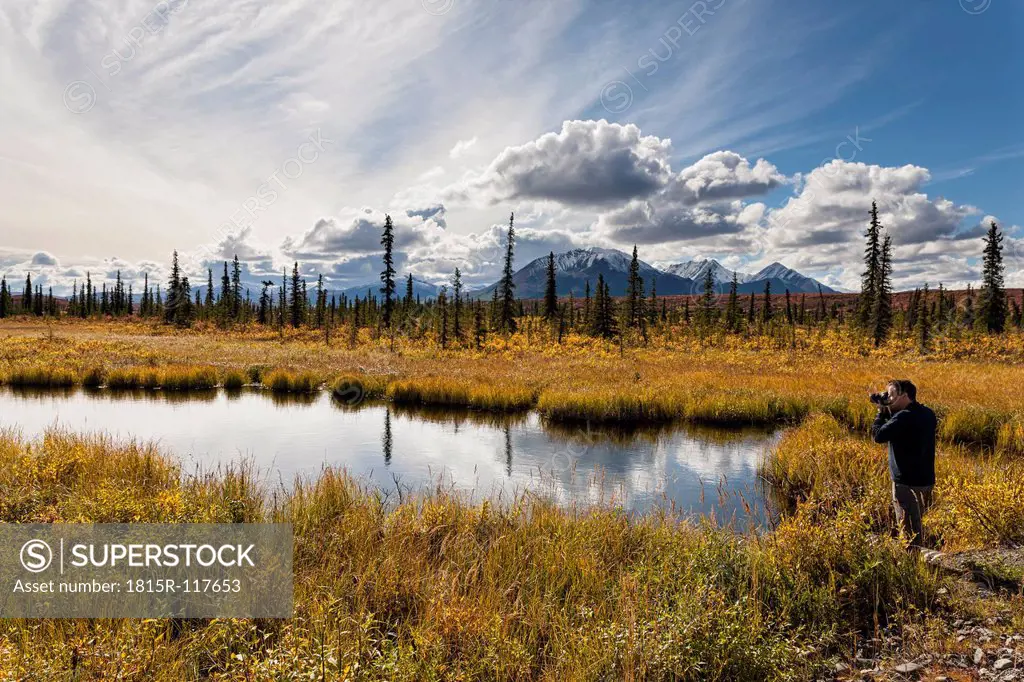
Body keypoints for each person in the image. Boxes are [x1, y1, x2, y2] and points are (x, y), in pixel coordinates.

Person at [870, 379, 937, 548]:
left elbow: (878, 435)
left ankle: (912, 564)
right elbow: (905, 427)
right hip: (926, 481)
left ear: (904, 396)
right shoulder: (928, 413)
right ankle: (924, 556)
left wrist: (881, 412)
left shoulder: (903, 417)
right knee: (919, 523)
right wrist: (889, 409)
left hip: (906, 484)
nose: (888, 399)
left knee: (908, 531)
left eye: (891, 395)